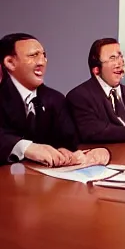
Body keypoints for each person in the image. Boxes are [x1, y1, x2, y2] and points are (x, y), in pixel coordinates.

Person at [0, 33, 78, 166]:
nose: (42, 62)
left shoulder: (56, 99)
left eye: (44, 55)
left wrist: (64, 151)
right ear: (10, 63)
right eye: (33, 55)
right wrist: (25, 148)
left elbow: (69, 139)